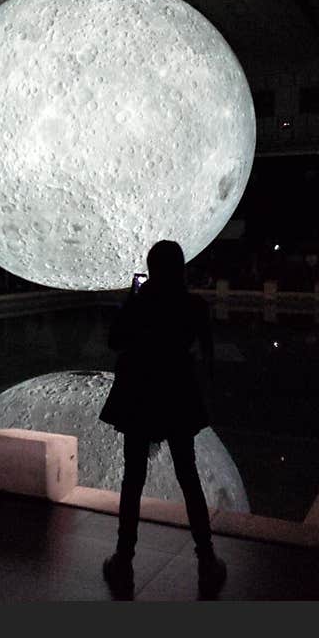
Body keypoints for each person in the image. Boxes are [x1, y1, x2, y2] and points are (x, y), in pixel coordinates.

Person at [98, 240, 226, 598]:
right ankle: (206, 558)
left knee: (133, 479)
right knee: (189, 476)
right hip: (177, 394)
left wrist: (131, 300)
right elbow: (207, 354)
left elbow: (114, 341)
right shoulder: (194, 305)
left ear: (150, 268)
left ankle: (124, 557)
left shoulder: (139, 304)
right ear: (181, 268)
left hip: (139, 393)